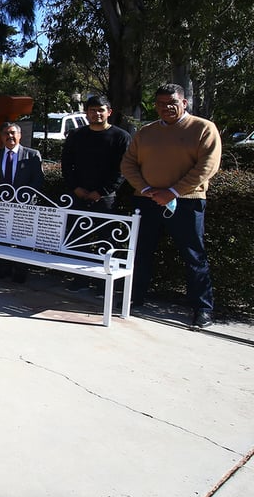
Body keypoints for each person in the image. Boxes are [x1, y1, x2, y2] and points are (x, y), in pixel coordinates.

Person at [121, 83, 222, 329]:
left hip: (187, 202)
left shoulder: (203, 129)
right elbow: (128, 164)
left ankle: (202, 309)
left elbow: (207, 166)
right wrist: (146, 189)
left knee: (194, 256)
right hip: (146, 201)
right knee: (141, 252)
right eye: (161, 104)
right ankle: (134, 298)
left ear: (184, 103)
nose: (166, 108)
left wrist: (173, 192)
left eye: (172, 103)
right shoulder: (145, 132)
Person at [61, 95, 132, 290]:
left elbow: (123, 169)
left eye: (101, 110)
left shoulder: (121, 137)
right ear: (86, 113)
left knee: (106, 239)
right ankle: (80, 278)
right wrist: (75, 187)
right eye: (92, 110)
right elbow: (67, 164)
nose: (96, 114)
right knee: (78, 239)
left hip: (105, 198)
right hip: (79, 195)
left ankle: (103, 283)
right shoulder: (76, 135)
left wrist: (102, 191)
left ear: (109, 112)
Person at [0, 122, 43, 283]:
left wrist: (22, 197)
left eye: (12, 133)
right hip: (1, 205)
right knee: (2, 237)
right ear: (1, 137)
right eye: (5, 134)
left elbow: (38, 181)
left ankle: (21, 271)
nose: (9, 136)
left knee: (23, 240)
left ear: (19, 135)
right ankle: (3, 267)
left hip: (24, 206)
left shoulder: (32, 155)